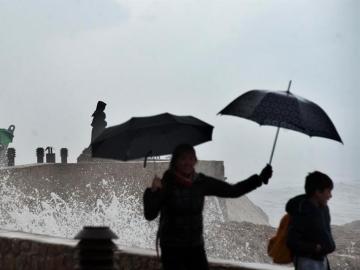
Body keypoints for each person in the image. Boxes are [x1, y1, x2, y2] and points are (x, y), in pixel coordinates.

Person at [143, 144, 273, 270]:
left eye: (190, 158)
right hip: (172, 248)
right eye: (183, 158)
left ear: (195, 160)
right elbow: (150, 215)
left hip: (195, 247)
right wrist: (153, 192)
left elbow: (232, 191)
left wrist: (259, 179)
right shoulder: (166, 184)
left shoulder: (200, 182)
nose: (187, 162)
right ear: (175, 161)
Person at [286, 171, 336, 270]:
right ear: (318, 192)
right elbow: (292, 241)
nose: (330, 196)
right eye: (329, 191)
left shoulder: (323, 209)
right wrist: (314, 248)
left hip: (321, 260)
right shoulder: (302, 211)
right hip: (307, 262)